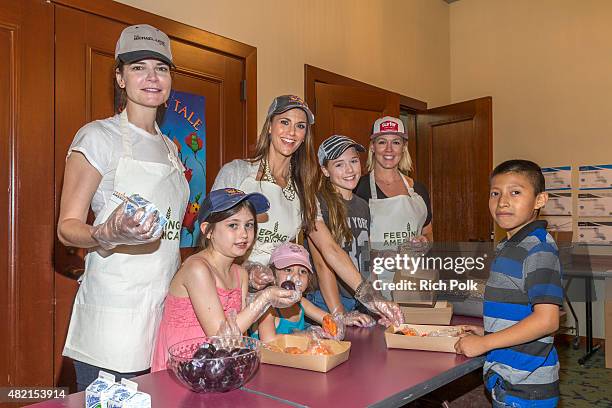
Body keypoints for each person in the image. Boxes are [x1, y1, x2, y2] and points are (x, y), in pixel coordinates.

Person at [57, 25, 189, 389]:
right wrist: (104, 232)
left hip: (162, 311)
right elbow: (67, 226)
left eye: (161, 68)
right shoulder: (98, 137)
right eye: (138, 67)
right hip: (113, 321)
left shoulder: (170, 149)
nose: (151, 77)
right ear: (119, 77)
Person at [212, 95, 403, 327]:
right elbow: (211, 238)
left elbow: (329, 248)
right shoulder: (237, 172)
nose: (291, 132)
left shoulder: (304, 189)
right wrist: (248, 270)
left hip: (278, 305)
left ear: (305, 136)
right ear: (270, 126)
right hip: (232, 296)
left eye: (300, 126)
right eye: (284, 122)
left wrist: (374, 299)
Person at [151, 189, 300, 372]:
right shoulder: (197, 269)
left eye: (249, 225)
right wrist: (265, 298)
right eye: (233, 225)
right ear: (208, 230)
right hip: (184, 370)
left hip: (218, 371)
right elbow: (219, 336)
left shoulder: (240, 274)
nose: (244, 234)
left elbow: (238, 338)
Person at [455, 160, 562, 407]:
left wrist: (485, 342)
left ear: (539, 200)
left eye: (515, 192)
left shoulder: (539, 249)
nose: (502, 201)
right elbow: (520, 308)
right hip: (507, 378)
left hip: (526, 386)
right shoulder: (508, 246)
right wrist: (489, 331)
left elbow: (547, 320)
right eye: (495, 193)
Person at [354, 116, 433, 297]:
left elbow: (428, 232)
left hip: (412, 284)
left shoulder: (418, 189)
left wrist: (424, 242)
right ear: (372, 147)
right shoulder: (359, 188)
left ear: (404, 147)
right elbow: (349, 245)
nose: (389, 149)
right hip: (373, 287)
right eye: (382, 142)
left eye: (396, 142)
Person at [305, 135, 375, 326]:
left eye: (353, 161)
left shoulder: (363, 206)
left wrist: (375, 301)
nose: (350, 170)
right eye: (339, 164)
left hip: (357, 299)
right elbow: (322, 265)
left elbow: (366, 260)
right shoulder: (317, 203)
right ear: (325, 170)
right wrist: (338, 312)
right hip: (327, 301)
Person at [255, 242, 354, 341]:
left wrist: (342, 321)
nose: (296, 276)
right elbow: (268, 341)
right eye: (288, 270)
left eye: (303, 271)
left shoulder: (301, 303)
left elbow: (328, 319)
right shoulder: (268, 307)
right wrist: (307, 336)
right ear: (273, 276)